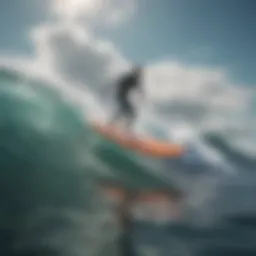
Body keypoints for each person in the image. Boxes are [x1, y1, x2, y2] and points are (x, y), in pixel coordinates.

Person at [110, 66, 144, 130]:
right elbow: (119, 82)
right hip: (121, 96)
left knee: (129, 113)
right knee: (126, 111)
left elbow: (140, 89)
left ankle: (125, 127)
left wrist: (141, 95)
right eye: (138, 72)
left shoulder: (135, 79)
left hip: (123, 96)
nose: (139, 74)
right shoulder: (131, 78)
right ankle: (114, 124)